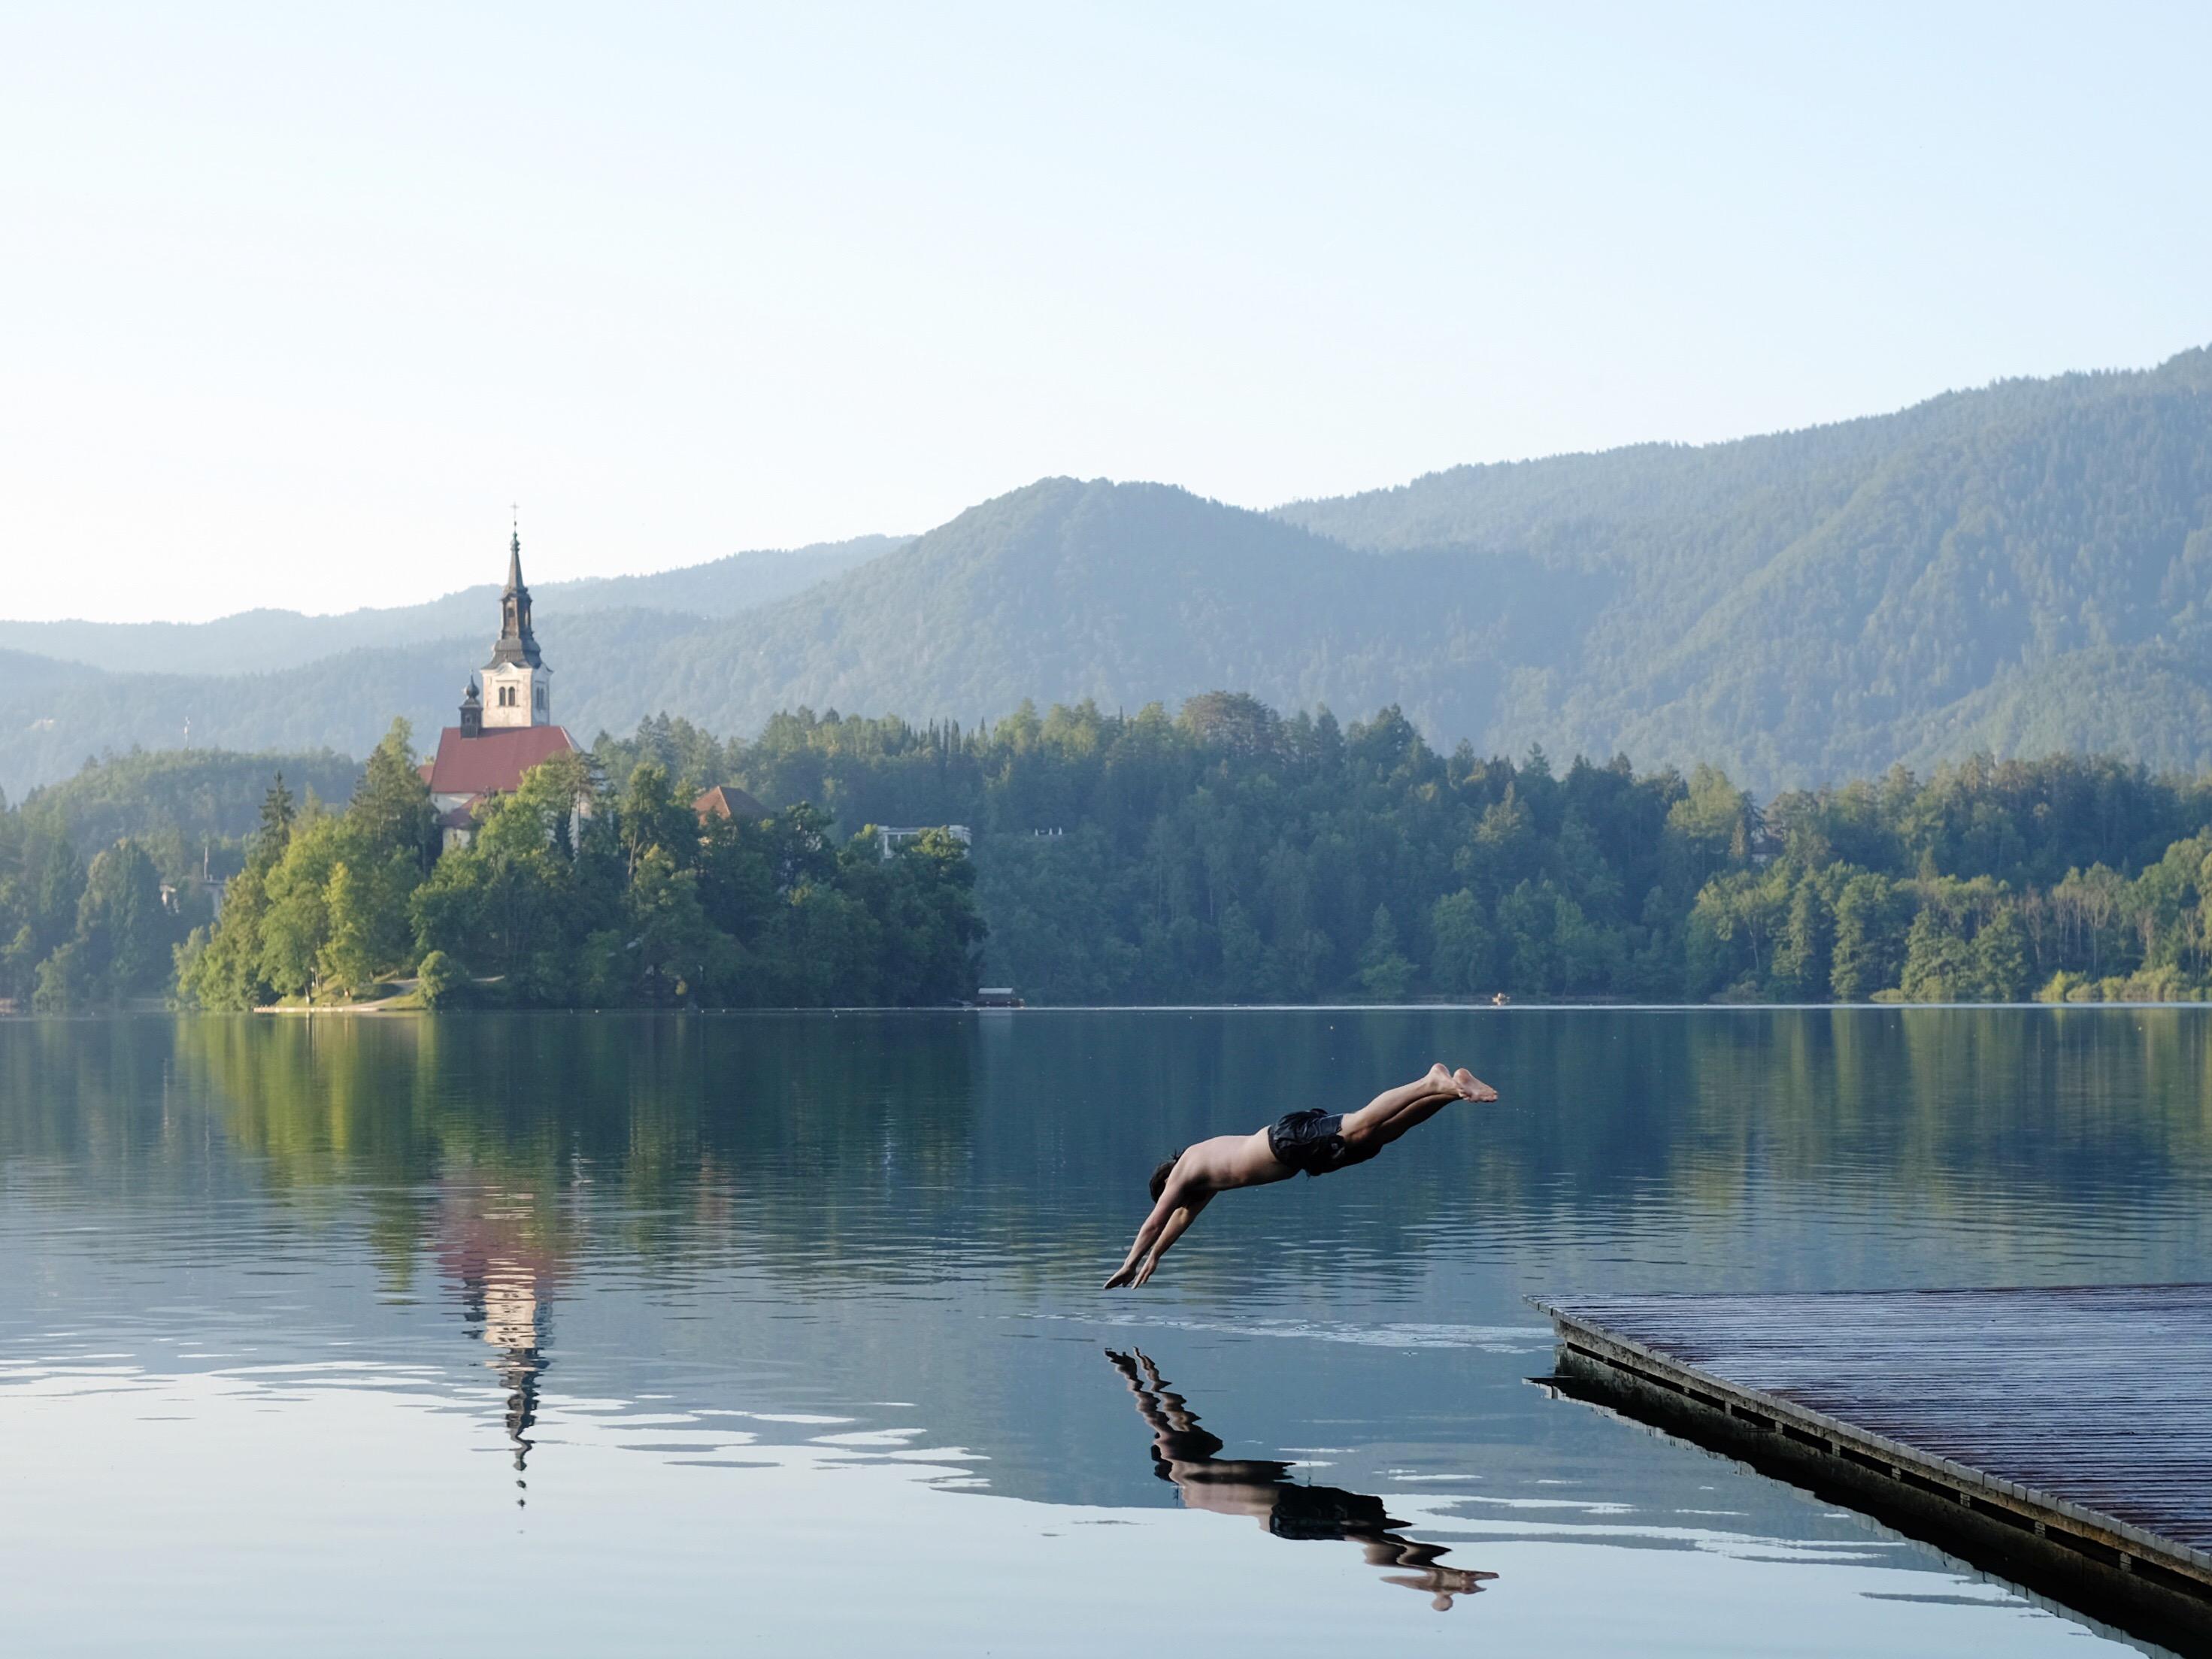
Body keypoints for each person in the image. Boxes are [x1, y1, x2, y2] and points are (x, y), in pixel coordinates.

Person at [1105, 1349, 1497, 1611]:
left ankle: (1439, 1575)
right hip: (1287, 1511)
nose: (1193, 1427)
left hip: (1286, 1513)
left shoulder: (1198, 1478)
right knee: (1368, 1534)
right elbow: (1155, 1415)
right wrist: (1131, 1374)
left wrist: (1154, 1372)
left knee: (1376, 1523)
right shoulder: (1180, 1469)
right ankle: (1435, 1579)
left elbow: (1177, 1412)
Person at [1104, 1063, 1497, 1289]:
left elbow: (1158, 1221)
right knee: (1382, 1136)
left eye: (1173, 1199)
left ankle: (1430, 1080)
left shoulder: (1187, 1173)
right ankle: (1448, 1093)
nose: (1180, 1206)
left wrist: (1128, 1261)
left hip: (1285, 1140)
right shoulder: (1203, 1184)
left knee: (1361, 1124)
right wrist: (1153, 1258)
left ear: (1168, 1183)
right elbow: (1176, 1224)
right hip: (1297, 1154)